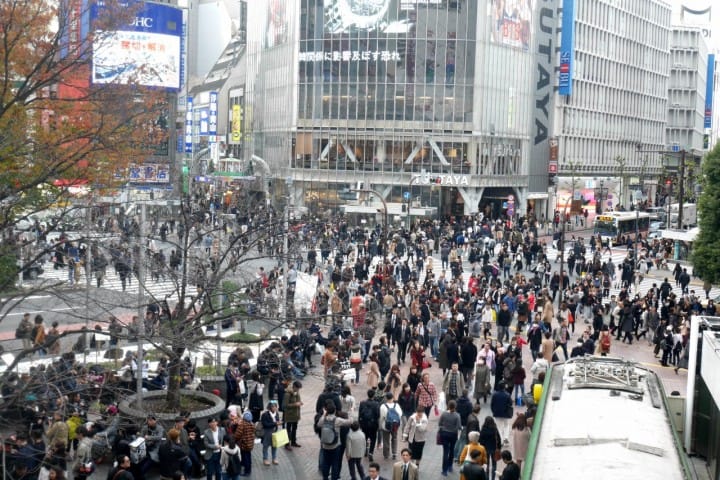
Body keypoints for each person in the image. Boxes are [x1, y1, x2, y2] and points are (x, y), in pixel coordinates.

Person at [317, 401, 353, 480]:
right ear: (335, 411)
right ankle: (334, 478)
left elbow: (318, 424)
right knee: (335, 463)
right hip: (335, 446)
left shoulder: (323, 419)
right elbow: (350, 422)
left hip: (325, 445)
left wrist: (324, 414)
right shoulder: (337, 420)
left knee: (326, 463)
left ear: (326, 410)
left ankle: (325, 477)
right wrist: (350, 412)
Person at [438, 399, 462, 476]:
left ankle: (444, 470)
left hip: (444, 434)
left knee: (445, 452)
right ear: (455, 407)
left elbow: (440, 423)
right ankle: (450, 466)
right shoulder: (457, 415)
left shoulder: (444, 414)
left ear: (448, 406)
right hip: (453, 435)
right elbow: (459, 426)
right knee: (452, 450)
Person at [379, 392, 403, 460]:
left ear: (386, 398)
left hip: (386, 425)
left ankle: (386, 455)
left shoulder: (383, 406)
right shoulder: (397, 405)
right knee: (394, 438)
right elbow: (400, 414)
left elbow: (381, 417)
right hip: (395, 425)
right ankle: (394, 453)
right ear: (393, 398)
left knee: (386, 440)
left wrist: (380, 425)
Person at [358, 389, 381, 462]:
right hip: (373, 424)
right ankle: (371, 453)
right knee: (373, 438)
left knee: (365, 437)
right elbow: (378, 415)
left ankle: (365, 449)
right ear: (374, 395)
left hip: (364, 424)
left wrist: (360, 423)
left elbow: (360, 414)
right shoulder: (376, 404)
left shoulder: (362, 403)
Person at [233, 411, 255, 477]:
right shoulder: (252, 423)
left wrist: (233, 439)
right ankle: (249, 469)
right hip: (250, 444)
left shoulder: (242, 424)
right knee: (248, 456)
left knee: (245, 457)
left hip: (244, 444)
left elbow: (237, 435)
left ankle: (247, 471)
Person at [259, 401, 281, 466]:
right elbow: (265, 424)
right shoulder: (265, 414)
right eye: (273, 406)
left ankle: (274, 458)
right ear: (270, 407)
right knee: (265, 446)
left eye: (275, 406)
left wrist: (278, 422)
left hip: (274, 432)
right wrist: (275, 423)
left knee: (274, 446)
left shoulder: (276, 414)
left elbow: (277, 421)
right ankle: (265, 459)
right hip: (267, 432)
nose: (275, 408)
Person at [283, 380, 304, 448]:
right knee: (288, 429)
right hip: (289, 415)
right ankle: (287, 444)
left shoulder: (296, 393)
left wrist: (300, 403)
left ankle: (293, 442)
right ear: (294, 387)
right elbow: (285, 405)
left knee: (294, 428)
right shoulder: (287, 394)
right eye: (298, 388)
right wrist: (295, 404)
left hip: (296, 415)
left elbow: (298, 400)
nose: (298, 390)